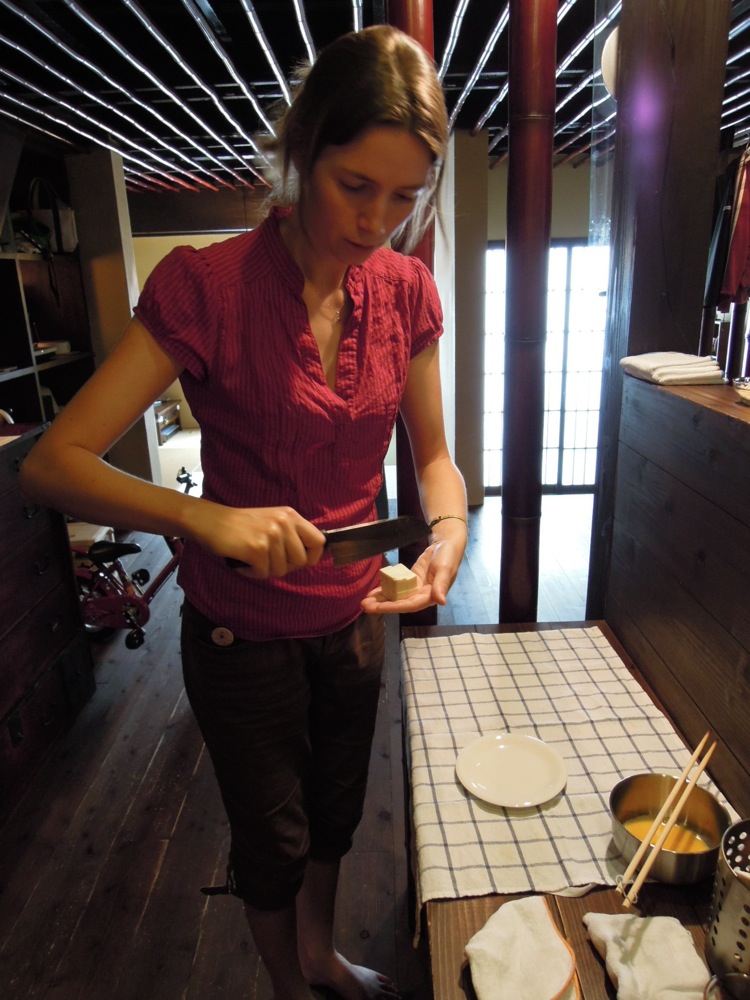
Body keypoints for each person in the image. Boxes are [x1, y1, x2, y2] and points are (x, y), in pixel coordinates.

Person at [20, 23, 467, 1000]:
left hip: (355, 616)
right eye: (356, 185)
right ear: (303, 150)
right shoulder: (207, 287)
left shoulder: (407, 293)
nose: (378, 221)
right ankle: (288, 986)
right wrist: (204, 520)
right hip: (243, 634)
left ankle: (320, 956)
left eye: (405, 196)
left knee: (335, 813)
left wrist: (448, 531)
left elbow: (434, 460)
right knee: (273, 839)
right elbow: (52, 463)